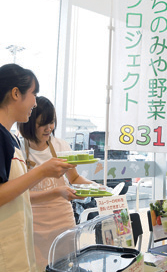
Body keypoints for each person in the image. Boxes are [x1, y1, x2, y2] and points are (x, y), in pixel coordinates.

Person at [0, 63, 75, 272]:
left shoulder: (10, 139)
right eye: (34, 93)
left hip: (19, 244)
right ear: (16, 93)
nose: (35, 102)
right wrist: (42, 171)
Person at [18, 96, 101, 272]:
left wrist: (95, 188)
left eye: (52, 122)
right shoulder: (18, 149)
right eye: (43, 124)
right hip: (33, 226)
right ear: (29, 122)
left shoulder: (60, 146)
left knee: (67, 266)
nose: (49, 128)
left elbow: (75, 179)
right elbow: (19, 196)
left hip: (63, 223)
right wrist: (57, 192)